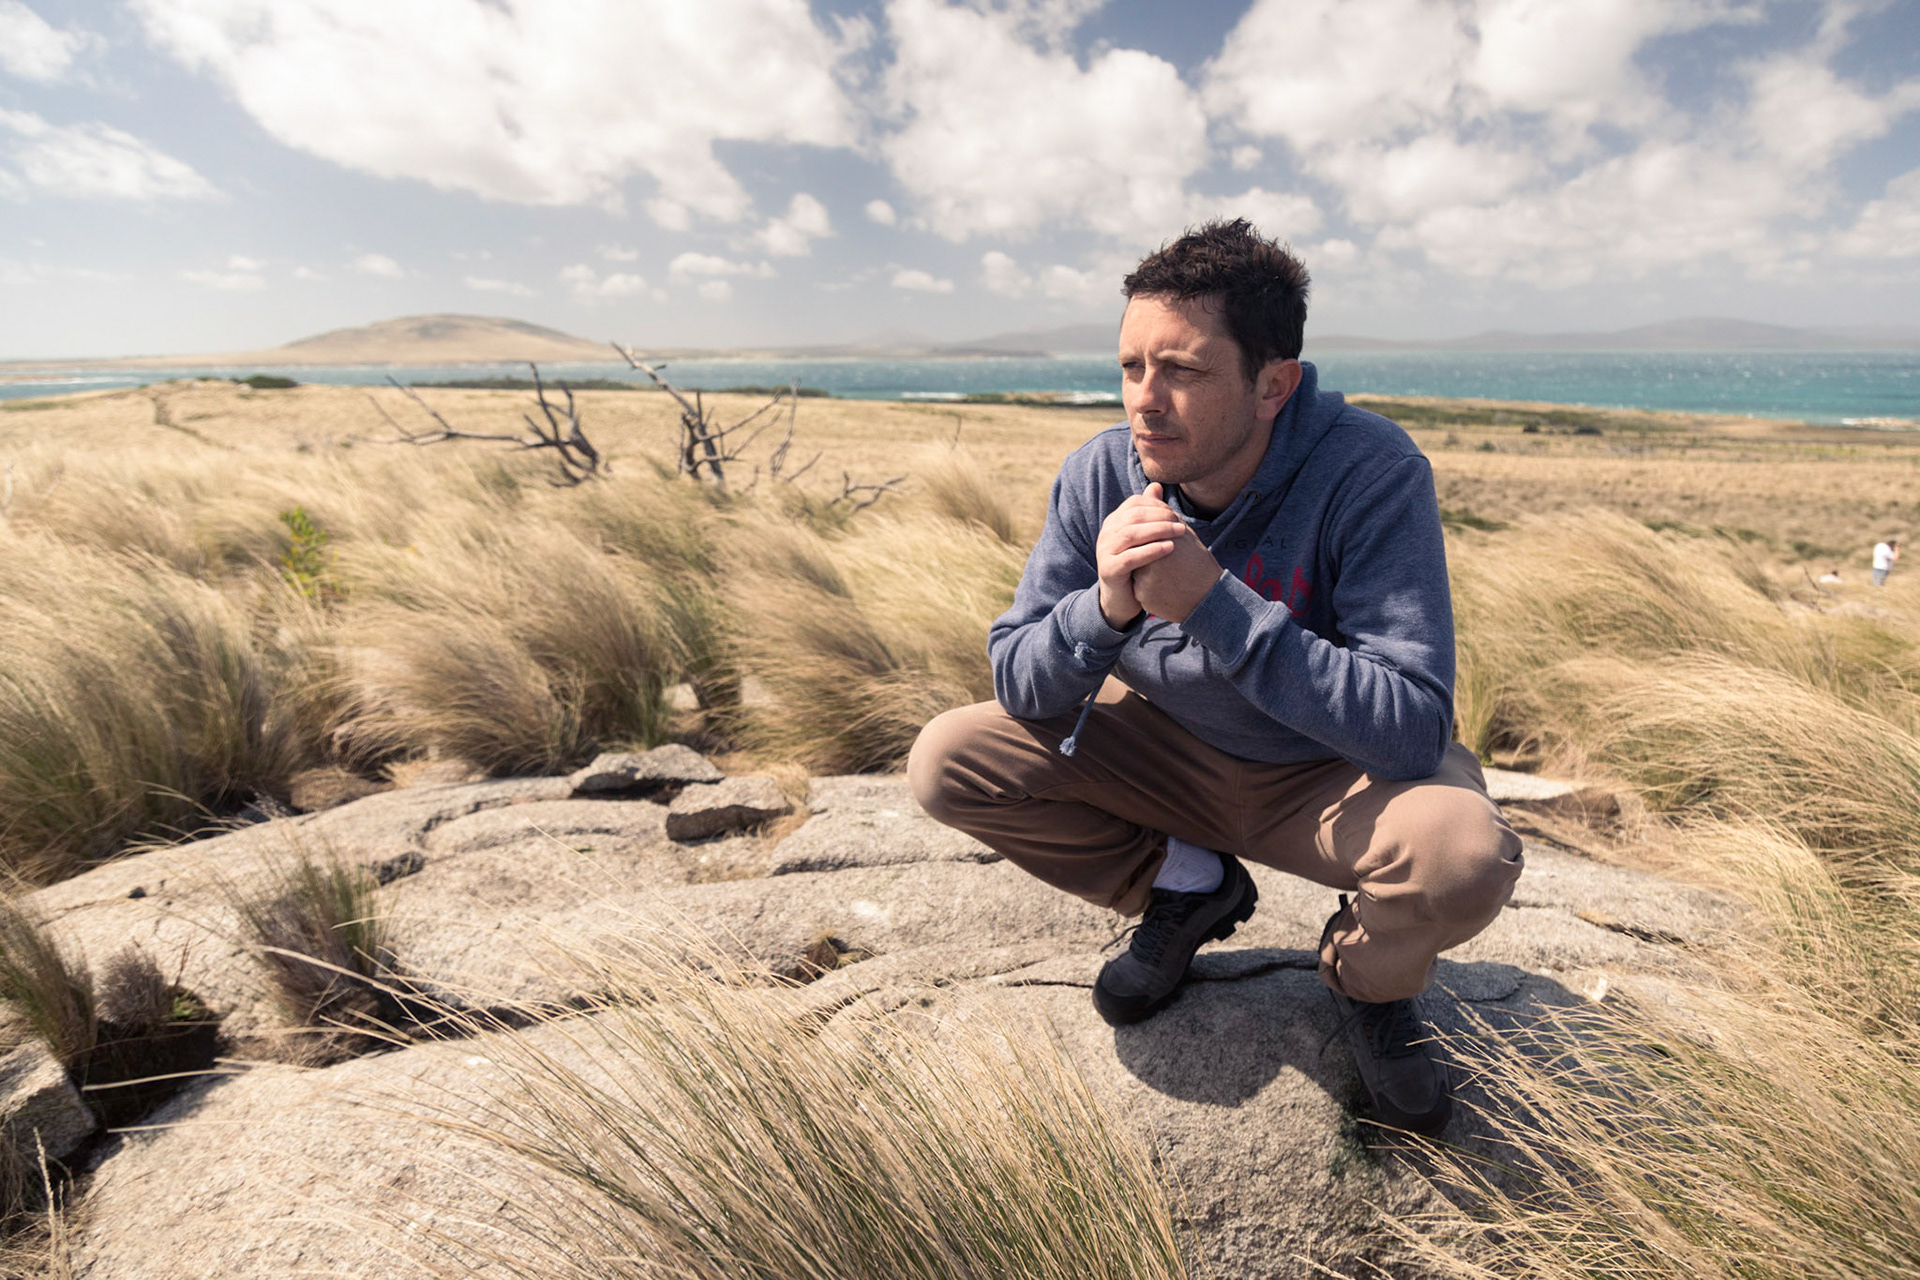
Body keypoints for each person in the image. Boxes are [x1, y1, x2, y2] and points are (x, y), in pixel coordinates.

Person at [908, 219, 1523, 1136]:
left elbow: (1411, 726)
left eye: (1182, 372)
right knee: (947, 759)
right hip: (1167, 756)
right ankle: (1187, 883)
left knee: (1463, 859)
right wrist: (1104, 608)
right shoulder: (1099, 475)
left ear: (1273, 384)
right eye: (1129, 368)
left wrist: (1213, 604)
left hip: (1323, 776)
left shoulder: (1372, 472)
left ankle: (1366, 981)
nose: (1143, 402)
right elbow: (1019, 681)